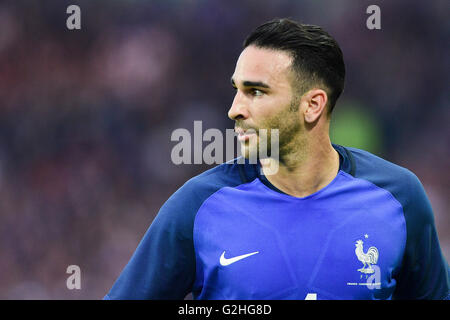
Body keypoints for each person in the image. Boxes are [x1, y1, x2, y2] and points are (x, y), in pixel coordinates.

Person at [104, 18, 449, 300]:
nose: (235, 109)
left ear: (312, 105)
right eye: (237, 90)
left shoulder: (400, 198)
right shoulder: (197, 206)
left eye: (256, 92)